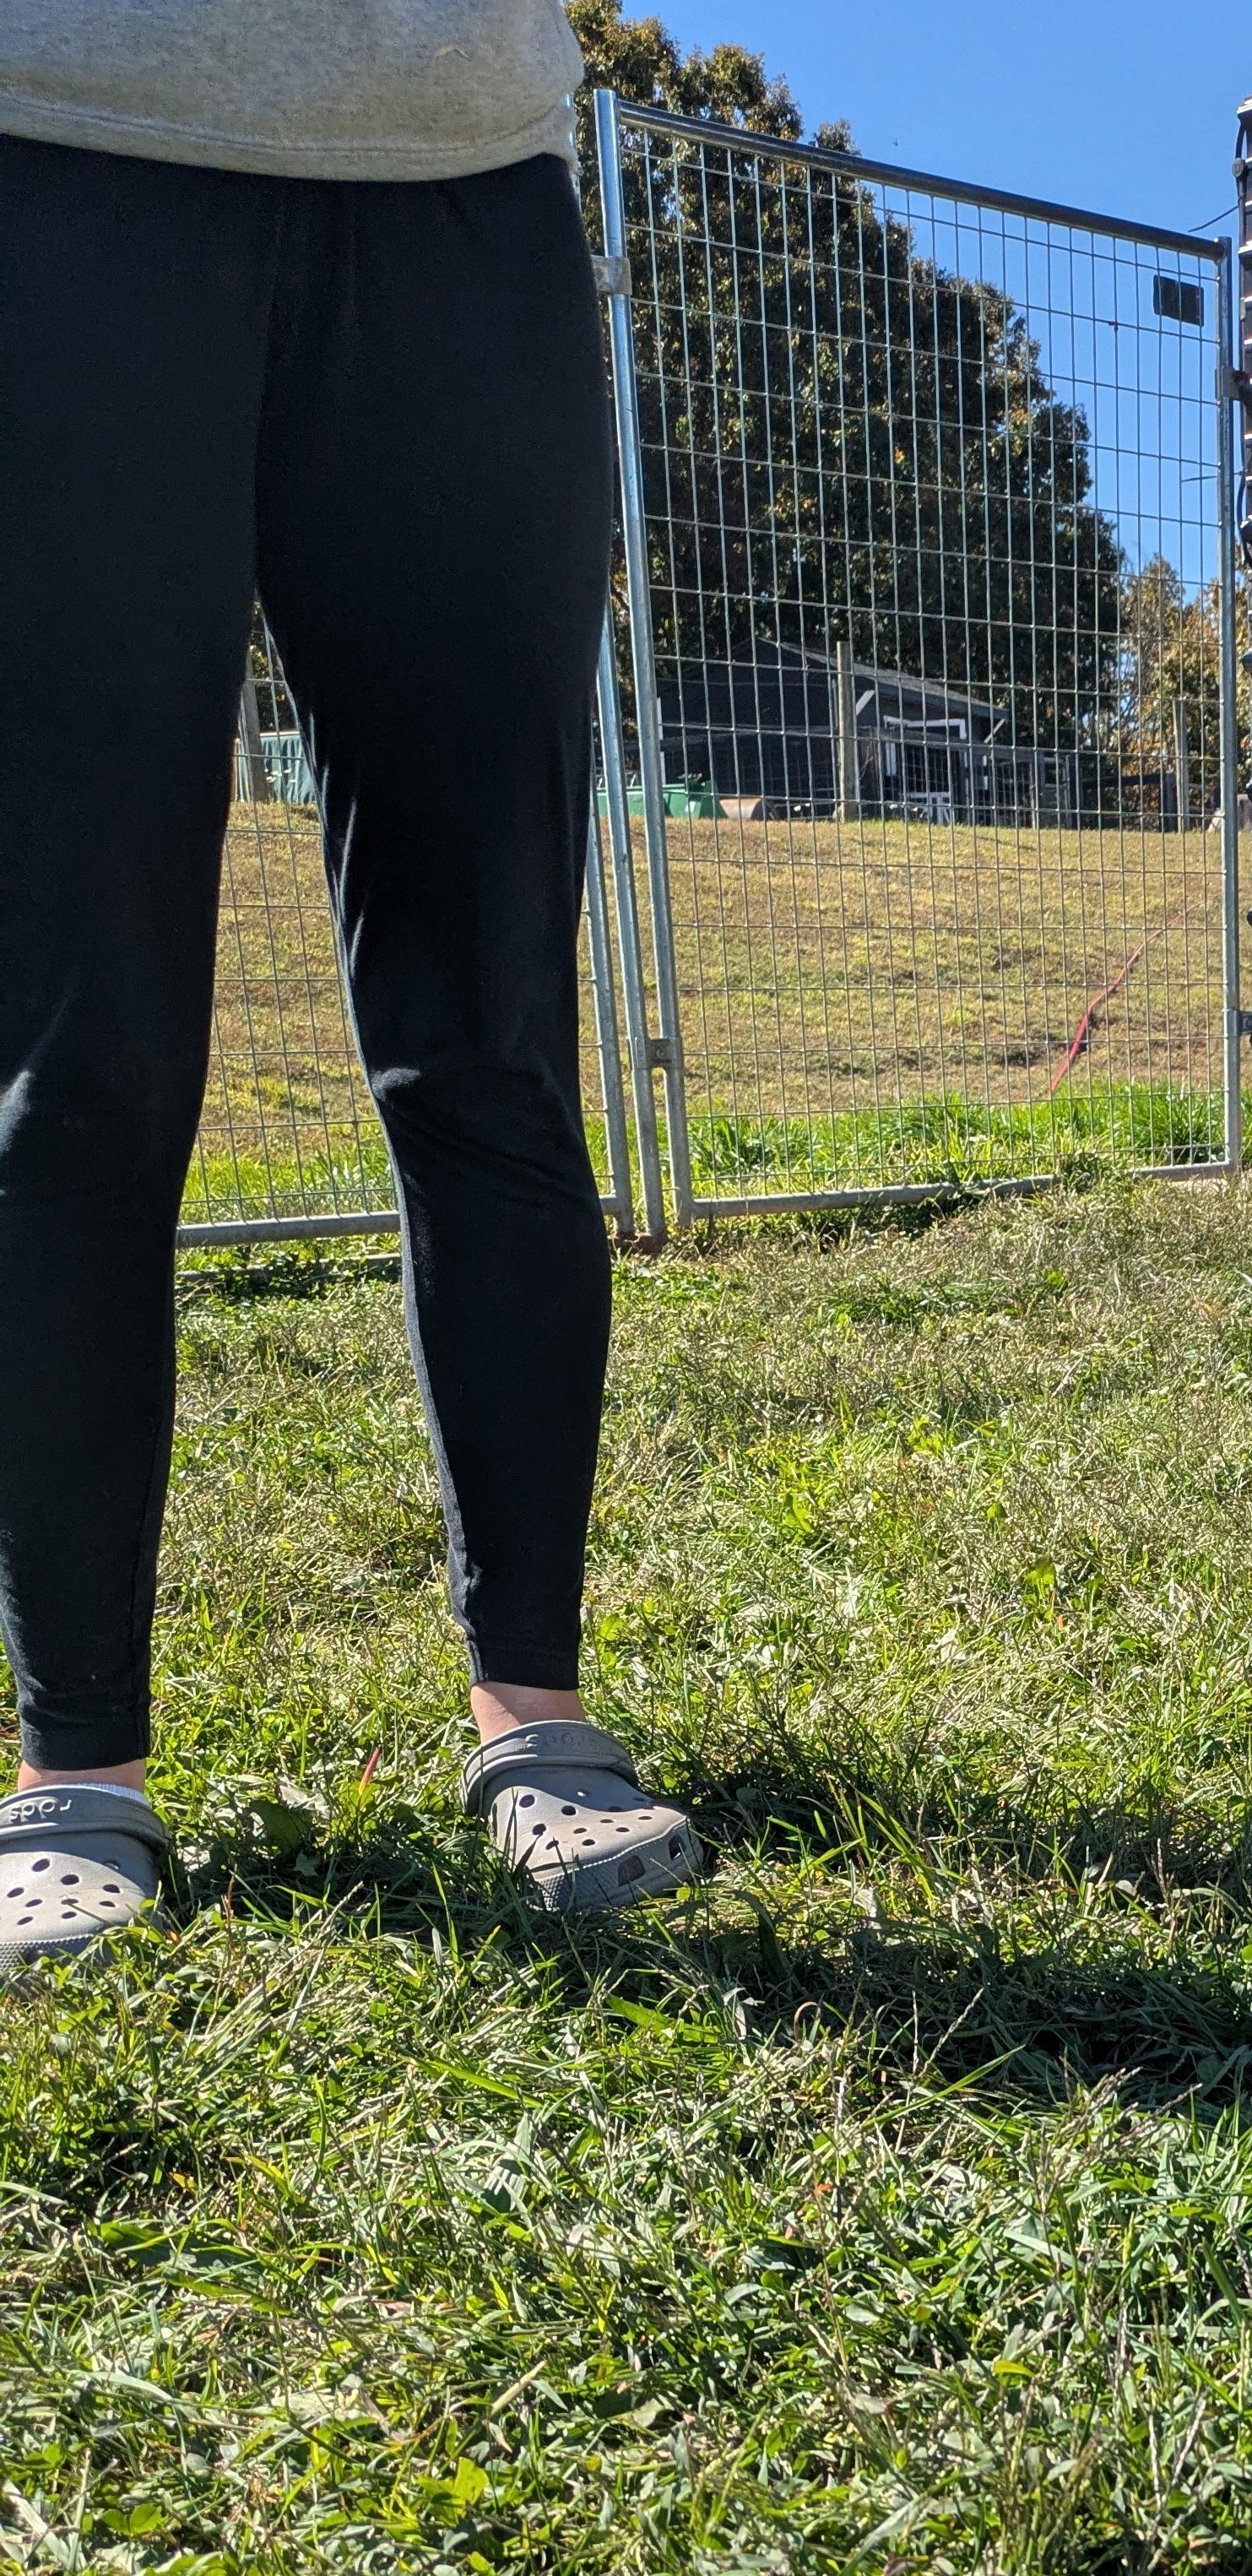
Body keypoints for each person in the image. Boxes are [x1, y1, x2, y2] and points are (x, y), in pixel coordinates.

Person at [0, 1, 703, 1949]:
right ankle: (78, 1765)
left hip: (460, 201)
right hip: (54, 165)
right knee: (75, 1057)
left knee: (487, 1038)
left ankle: (537, 1721)